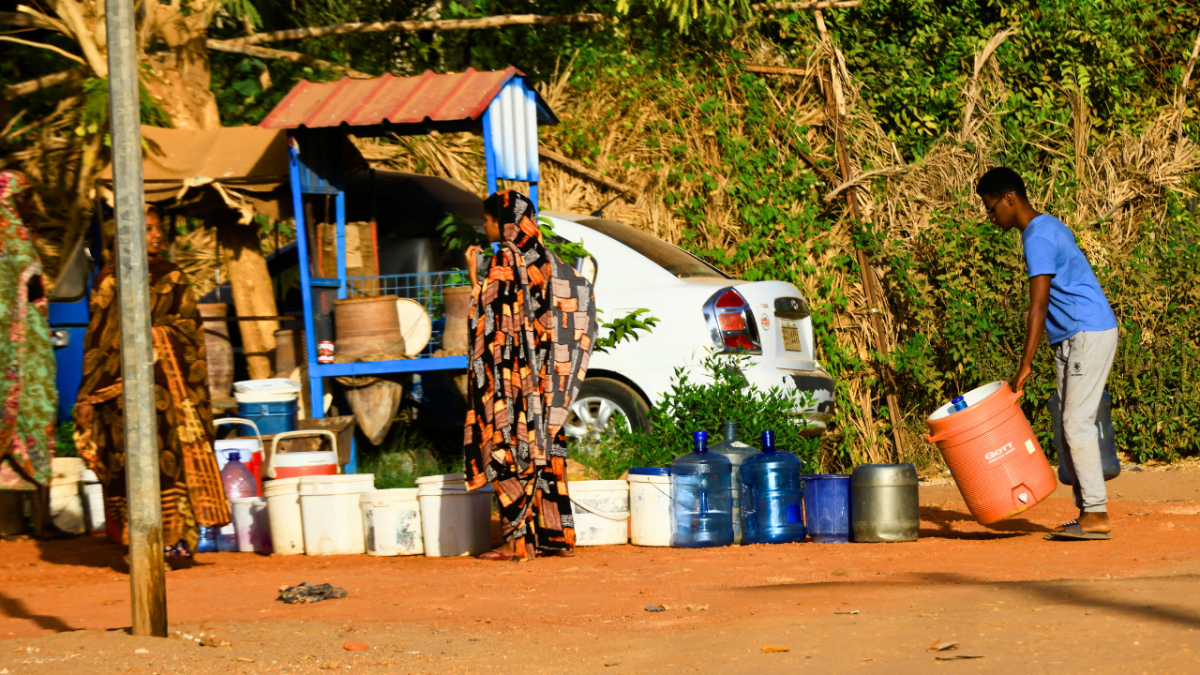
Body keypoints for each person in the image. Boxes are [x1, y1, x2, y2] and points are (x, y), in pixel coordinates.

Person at [75, 206, 230, 558]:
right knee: (128, 462)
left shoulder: (173, 277)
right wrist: (87, 395)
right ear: (125, 235)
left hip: (172, 396)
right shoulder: (109, 281)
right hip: (122, 394)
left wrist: (155, 337)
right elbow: (97, 342)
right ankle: (139, 543)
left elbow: (190, 330)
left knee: (173, 460)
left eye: (157, 229)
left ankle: (177, 542)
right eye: (148, 229)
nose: (157, 236)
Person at [976, 167, 1119, 541]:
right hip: (1071, 336)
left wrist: (1025, 365)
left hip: (1087, 331)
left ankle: (1096, 514)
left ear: (1010, 198)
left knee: (1076, 421)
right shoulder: (1047, 226)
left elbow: (1037, 306)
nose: (991, 218)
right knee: (1068, 419)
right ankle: (1088, 510)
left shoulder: (1037, 238)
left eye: (992, 209)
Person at [462, 191, 598, 561]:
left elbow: (491, 316)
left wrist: (475, 280)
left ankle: (517, 542)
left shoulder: (506, 256)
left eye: (488, 219)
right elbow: (578, 296)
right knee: (543, 447)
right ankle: (555, 537)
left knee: (507, 446)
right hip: (543, 379)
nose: (485, 225)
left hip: (511, 377)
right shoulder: (546, 258)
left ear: (504, 222)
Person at [0, 170, 60, 537]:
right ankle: (43, 522)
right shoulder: (13, 235)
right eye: (25, 196)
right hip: (22, 351)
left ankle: (8, 524)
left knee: (12, 429)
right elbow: (30, 284)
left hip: (10, 349)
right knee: (37, 420)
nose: (30, 203)